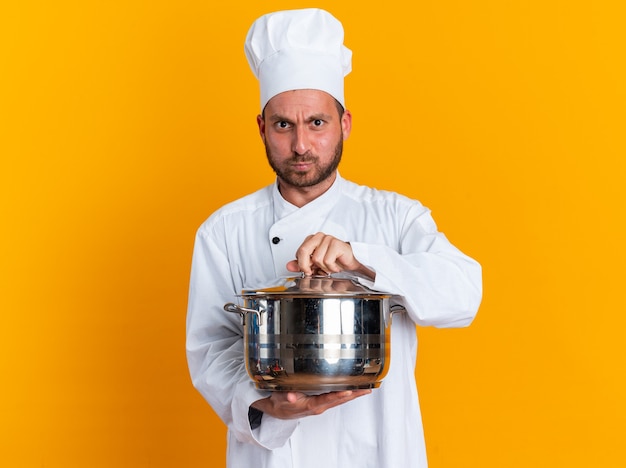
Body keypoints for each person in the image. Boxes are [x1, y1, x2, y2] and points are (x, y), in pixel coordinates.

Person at [186, 8, 482, 468]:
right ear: (262, 128)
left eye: (317, 124)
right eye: (284, 124)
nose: (301, 144)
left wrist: (362, 260)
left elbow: (465, 294)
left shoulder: (396, 217)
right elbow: (210, 351)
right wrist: (267, 404)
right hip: (275, 453)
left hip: (380, 452)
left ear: (344, 124)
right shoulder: (224, 230)